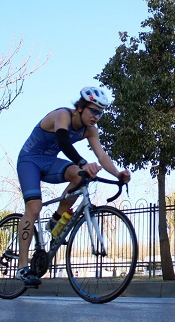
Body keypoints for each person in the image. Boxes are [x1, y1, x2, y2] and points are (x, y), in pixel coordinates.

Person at [15, 86, 131, 287]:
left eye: (100, 113)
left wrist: (118, 173)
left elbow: (102, 156)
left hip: (49, 161)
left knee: (80, 177)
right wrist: (83, 162)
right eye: (93, 110)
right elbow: (63, 141)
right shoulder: (63, 115)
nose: (96, 116)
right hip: (29, 161)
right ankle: (22, 267)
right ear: (80, 107)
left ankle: (55, 221)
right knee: (34, 208)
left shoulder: (90, 130)